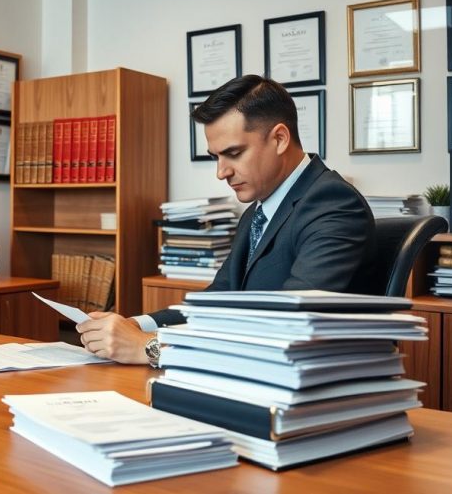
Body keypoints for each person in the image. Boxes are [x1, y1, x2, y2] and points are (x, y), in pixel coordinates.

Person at [77, 74, 375, 365]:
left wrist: (152, 348)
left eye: (233, 153)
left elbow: (290, 321)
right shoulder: (257, 212)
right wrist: (137, 325)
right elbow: (216, 301)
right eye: (215, 157)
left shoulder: (333, 203)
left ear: (280, 139)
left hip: (309, 390)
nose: (222, 172)